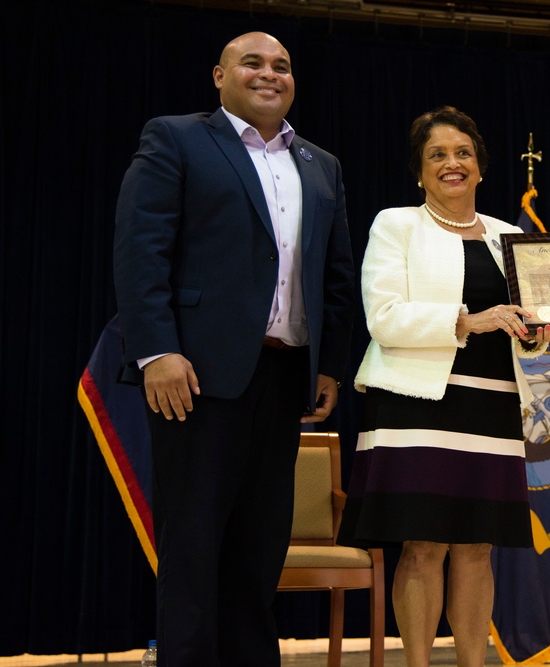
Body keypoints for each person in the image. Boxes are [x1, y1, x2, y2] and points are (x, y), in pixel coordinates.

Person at [113, 32, 355, 666]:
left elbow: (334, 275)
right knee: (193, 549)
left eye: (282, 65)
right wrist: (156, 350)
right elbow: (142, 253)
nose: (269, 74)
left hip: (282, 378)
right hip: (194, 376)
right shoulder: (177, 138)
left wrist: (328, 363)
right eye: (253, 63)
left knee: (257, 551)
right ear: (218, 75)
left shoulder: (320, 163)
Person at [337, 106, 550, 667]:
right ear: (419, 171)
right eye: (437, 155)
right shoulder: (396, 225)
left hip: (491, 408)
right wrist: (466, 321)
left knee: (478, 548)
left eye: (462, 153)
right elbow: (383, 317)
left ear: (481, 167)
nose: (452, 163)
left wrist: (536, 333)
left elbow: (523, 333)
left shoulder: (511, 237)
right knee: (422, 545)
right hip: (414, 404)